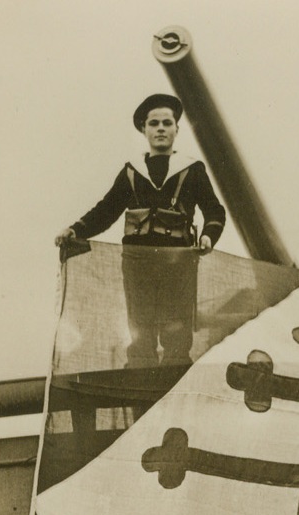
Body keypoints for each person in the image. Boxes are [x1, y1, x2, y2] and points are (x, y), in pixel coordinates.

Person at [55, 93, 226, 367]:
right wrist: (75, 230)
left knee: (177, 328)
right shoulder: (131, 172)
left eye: (167, 123)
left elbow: (215, 211)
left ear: (176, 130)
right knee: (140, 325)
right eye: (154, 123)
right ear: (143, 129)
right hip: (137, 261)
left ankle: (175, 376)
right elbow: (106, 210)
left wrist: (208, 236)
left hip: (178, 261)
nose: (160, 128)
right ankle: (138, 381)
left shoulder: (193, 169)